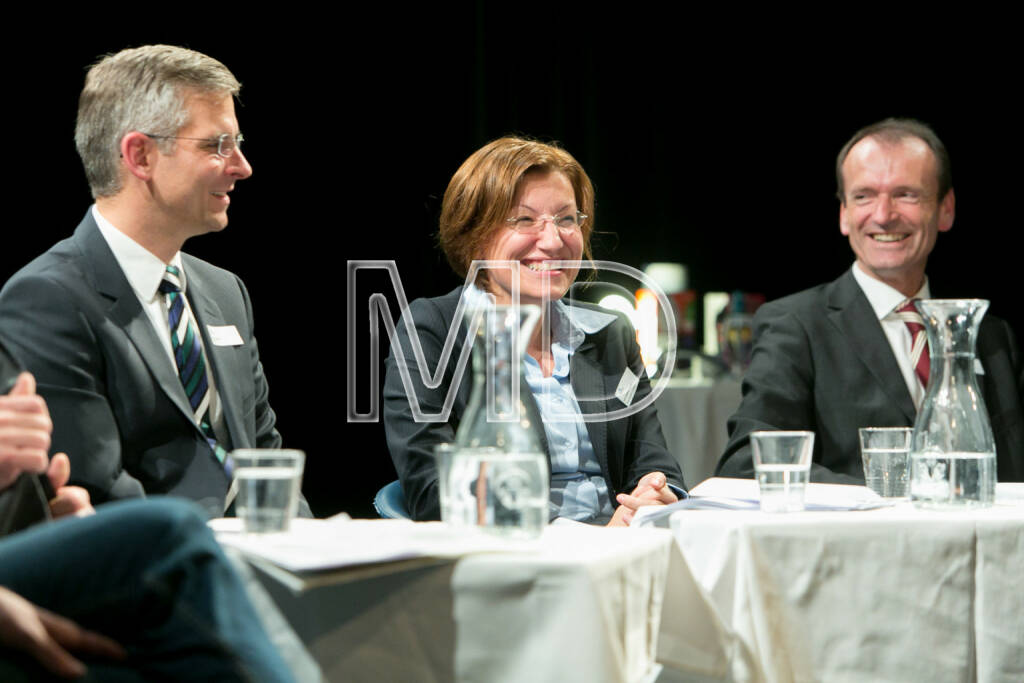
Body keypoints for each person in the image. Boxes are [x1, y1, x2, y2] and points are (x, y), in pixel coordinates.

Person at [0, 45, 304, 518]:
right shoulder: (47, 299)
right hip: (157, 573)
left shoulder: (227, 292)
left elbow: (264, 454)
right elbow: (96, 487)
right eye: (216, 145)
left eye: (238, 142)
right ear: (140, 155)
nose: (242, 166)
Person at [384, 136, 685, 526]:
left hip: (620, 551)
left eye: (566, 218)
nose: (553, 239)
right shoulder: (432, 330)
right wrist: (585, 537)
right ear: (474, 234)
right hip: (511, 563)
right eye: (524, 220)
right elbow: (432, 491)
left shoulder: (610, 332)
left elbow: (651, 456)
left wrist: (656, 492)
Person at [717, 118, 1024, 483]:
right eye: (863, 196)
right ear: (844, 214)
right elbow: (749, 464)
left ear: (946, 208)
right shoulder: (796, 326)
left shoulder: (991, 337)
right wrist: (894, 498)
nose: (883, 216)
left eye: (906, 194)